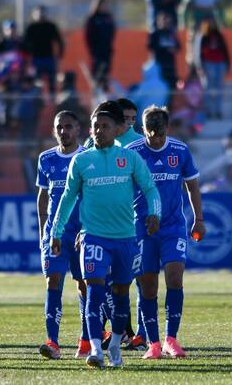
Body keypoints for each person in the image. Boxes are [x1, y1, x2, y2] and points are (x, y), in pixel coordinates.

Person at [49, 101, 161, 369]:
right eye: (96, 126)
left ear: (117, 130)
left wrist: (154, 213)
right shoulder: (82, 160)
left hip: (125, 237)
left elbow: (150, 188)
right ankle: (96, 349)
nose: (99, 130)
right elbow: (67, 198)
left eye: (105, 126)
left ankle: (115, 345)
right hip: (93, 236)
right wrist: (56, 231)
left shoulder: (130, 158)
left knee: (121, 291)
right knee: (94, 287)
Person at [126, 106, 205, 359]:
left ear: (167, 129)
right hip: (142, 228)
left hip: (173, 227)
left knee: (174, 278)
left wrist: (199, 219)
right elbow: (122, 192)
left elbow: (192, 187)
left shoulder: (180, 150)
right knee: (148, 287)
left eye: (160, 134)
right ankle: (154, 343)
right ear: (142, 130)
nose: (156, 139)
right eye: (151, 135)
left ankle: (172, 339)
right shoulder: (132, 153)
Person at [37, 111, 89, 360]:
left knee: (85, 284)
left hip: (82, 231)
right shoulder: (46, 159)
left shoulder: (87, 158)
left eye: (69, 126)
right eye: (60, 127)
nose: (64, 131)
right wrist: (42, 232)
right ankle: (53, 342)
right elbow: (43, 196)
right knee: (53, 280)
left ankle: (86, 338)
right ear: (54, 130)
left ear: (78, 129)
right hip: (55, 234)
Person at [182, 0, 225, 64]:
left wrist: (221, 21)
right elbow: (185, 8)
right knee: (194, 42)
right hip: (196, 22)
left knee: (207, 41)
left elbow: (220, 7)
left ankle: (205, 59)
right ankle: (192, 62)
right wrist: (183, 22)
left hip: (208, 23)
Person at [23, 6, 64, 97]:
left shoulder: (50, 26)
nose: (40, 15)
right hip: (36, 59)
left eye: (42, 13)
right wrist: (28, 57)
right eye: (38, 13)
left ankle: (54, 104)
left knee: (52, 84)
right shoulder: (31, 27)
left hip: (49, 59)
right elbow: (25, 43)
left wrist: (60, 55)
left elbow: (59, 41)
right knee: (37, 84)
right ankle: (38, 103)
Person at [198, 19, 231, 120]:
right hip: (208, 63)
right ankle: (208, 111)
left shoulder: (219, 35)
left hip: (220, 63)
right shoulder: (203, 36)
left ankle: (218, 111)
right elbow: (199, 53)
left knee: (219, 88)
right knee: (208, 88)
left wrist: (228, 64)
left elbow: (225, 50)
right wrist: (200, 66)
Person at [84, 0, 117, 89]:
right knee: (96, 75)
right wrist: (93, 51)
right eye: (102, 5)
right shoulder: (93, 18)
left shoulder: (108, 18)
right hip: (96, 52)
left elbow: (112, 33)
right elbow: (88, 36)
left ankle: (105, 94)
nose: (104, 7)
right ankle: (96, 95)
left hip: (107, 51)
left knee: (106, 75)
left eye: (106, 5)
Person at [148, 12, 180, 92]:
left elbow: (178, 46)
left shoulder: (171, 34)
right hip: (159, 65)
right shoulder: (155, 34)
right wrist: (165, 49)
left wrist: (173, 48)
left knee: (171, 88)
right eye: (164, 20)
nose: (166, 22)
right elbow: (150, 46)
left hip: (171, 66)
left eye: (168, 20)